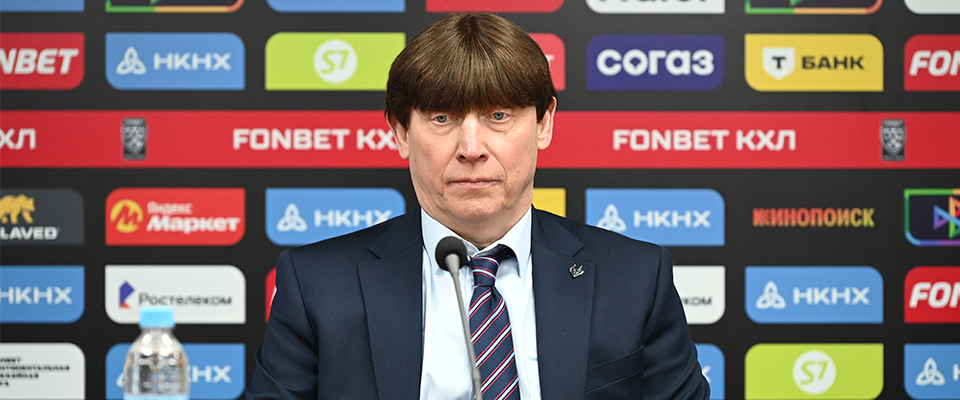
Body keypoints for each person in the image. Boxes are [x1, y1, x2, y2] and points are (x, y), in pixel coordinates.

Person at [247, 12, 709, 400]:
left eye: (498, 116)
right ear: (401, 132)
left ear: (544, 123)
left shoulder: (635, 277)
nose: (471, 148)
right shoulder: (318, 285)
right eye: (442, 117)